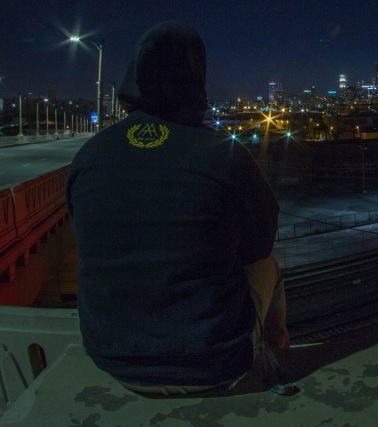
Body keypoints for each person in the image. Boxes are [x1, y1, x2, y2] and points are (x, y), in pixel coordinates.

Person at [67, 21, 288, 396]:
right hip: (215, 363)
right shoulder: (225, 156)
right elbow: (259, 247)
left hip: (111, 359)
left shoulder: (88, 157)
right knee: (268, 266)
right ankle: (278, 356)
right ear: (196, 79)